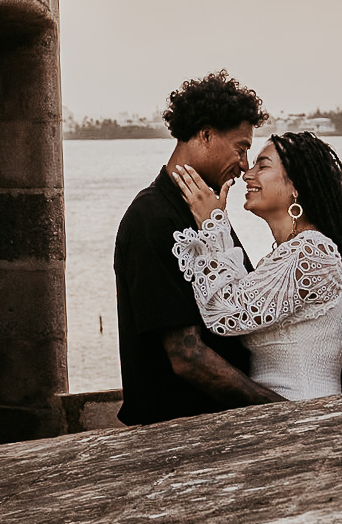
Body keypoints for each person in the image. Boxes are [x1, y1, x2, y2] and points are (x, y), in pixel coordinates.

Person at [170, 132, 342, 400]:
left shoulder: (312, 251)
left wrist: (211, 224)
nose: (247, 174)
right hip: (281, 417)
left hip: (307, 418)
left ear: (296, 186)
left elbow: (223, 312)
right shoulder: (288, 255)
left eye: (262, 166)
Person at [113, 71, 280, 425]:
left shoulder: (207, 211)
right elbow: (186, 355)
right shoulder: (151, 216)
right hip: (177, 432)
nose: (245, 165)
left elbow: (246, 309)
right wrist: (279, 408)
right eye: (241, 147)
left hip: (219, 424)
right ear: (205, 134)